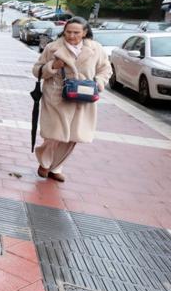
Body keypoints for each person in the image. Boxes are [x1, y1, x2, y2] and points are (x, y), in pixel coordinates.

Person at [30, 17, 112, 182]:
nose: (72, 36)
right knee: (54, 135)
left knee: (73, 137)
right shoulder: (52, 48)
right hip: (56, 97)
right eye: (68, 32)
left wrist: (99, 82)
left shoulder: (96, 49)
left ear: (84, 32)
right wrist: (52, 66)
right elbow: (36, 70)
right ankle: (45, 163)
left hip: (83, 97)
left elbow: (105, 69)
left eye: (76, 32)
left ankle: (56, 168)